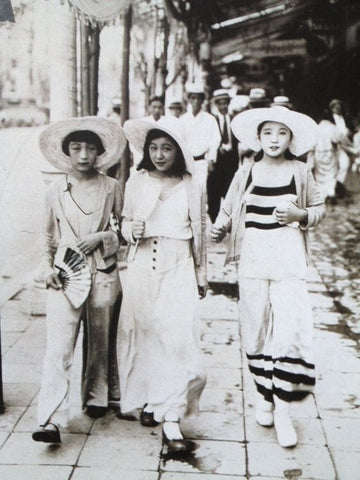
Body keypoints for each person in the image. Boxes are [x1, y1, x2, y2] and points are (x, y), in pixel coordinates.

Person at [211, 106, 325, 448]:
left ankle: (284, 410)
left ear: (291, 139)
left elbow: (319, 208)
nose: (274, 139)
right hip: (254, 259)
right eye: (267, 133)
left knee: (290, 330)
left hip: (288, 257)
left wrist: (299, 213)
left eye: (281, 133)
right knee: (256, 330)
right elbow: (228, 208)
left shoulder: (301, 171)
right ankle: (265, 395)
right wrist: (220, 226)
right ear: (258, 138)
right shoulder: (246, 170)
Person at [32, 117, 126, 444]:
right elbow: (46, 236)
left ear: (100, 151)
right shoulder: (55, 189)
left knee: (100, 338)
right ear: (66, 152)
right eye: (76, 148)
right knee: (58, 347)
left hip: (102, 270)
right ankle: (51, 419)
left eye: (90, 148)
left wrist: (102, 236)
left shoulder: (112, 186)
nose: (84, 155)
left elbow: (123, 232)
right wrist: (46, 269)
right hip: (64, 273)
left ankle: (97, 396)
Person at [118, 119, 207, 453]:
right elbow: (123, 221)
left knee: (179, 339)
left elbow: (201, 227)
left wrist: (202, 274)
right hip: (142, 264)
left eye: (166, 148)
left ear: (178, 151)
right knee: (145, 336)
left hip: (179, 265)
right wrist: (130, 230)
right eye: (153, 148)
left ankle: (172, 420)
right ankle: (150, 402)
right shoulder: (137, 181)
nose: (159, 154)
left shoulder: (192, 184)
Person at [179, 83, 221, 191]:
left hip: (201, 162)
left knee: (200, 191)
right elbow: (179, 140)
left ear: (202, 100)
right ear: (189, 100)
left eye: (199, 98)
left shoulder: (209, 119)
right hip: (185, 162)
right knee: (185, 191)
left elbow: (215, 140)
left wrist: (211, 158)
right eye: (193, 98)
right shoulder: (183, 120)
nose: (196, 101)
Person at [207, 89, 239, 223]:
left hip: (231, 160)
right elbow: (209, 140)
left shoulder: (233, 119)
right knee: (214, 191)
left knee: (231, 191)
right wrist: (214, 153)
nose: (223, 107)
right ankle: (215, 220)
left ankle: (229, 221)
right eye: (220, 104)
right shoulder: (212, 120)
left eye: (225, 103)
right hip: (217, 161)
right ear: (216, 105)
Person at [307, 111, 341, 205]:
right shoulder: (333, 127)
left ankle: (322, 195)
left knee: (320, 174)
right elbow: (337, 140)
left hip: (319, 153)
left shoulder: (316, 128)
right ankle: (331, 192)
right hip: (330, 153)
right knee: (331, 173)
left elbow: (312, 144)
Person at [328, 99, 354, 197]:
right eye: (335, 107)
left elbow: (352, 130)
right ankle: (332, 190)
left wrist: (349, 132)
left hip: (344, 146)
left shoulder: (346, 118)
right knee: (332, 168)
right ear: (332, 108)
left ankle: (338, 184)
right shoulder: (330, 120)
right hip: (332, 147)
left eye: (339, 107)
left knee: (345, 164)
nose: (337, 109)